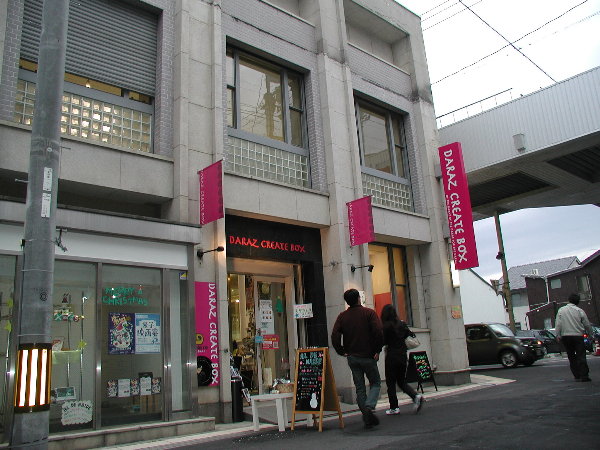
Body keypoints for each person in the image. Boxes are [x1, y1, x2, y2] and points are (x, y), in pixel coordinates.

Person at [331, 288, 384, 428]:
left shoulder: (342, 316)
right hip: (368, 355)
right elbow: (378, 331)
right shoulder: (369, 313)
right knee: (375, 382)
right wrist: (377, 350)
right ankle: (369, 406)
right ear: (359, 298)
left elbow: (335, 335)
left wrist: (341, 351)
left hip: (352, 357)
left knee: (360, 388)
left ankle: (366, 415)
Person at [380, 304, 424, 415]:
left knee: (391, 383)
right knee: (401, 381)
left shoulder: (386, 327)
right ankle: (415, 396)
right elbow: (410, 335)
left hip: (391, 356)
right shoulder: (402, 324)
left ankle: (394, 407)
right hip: (402, 356)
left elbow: (382, 341)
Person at [555, 293, 593, 382]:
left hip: (566, 336)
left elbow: (558, 324)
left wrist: (558, 335)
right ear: (578, 302)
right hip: (578, 335)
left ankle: (577, 375)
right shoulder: (579, 311)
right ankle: (584, 375)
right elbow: (587, 324)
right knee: (581, 355)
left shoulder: (561, 310)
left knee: (571, 356)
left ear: (569, 300)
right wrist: (590, 334)